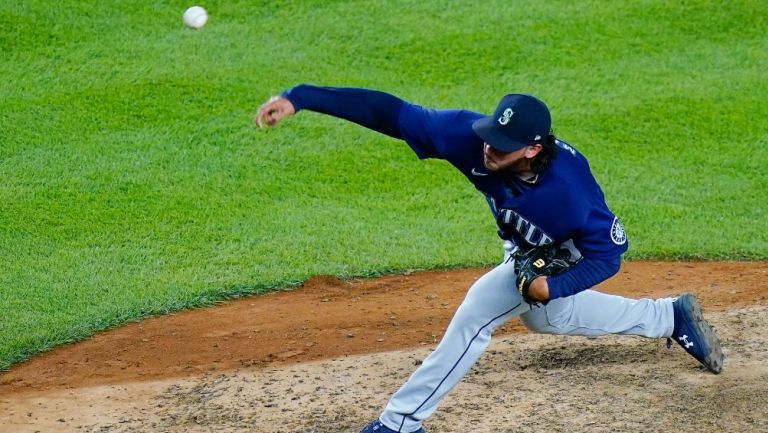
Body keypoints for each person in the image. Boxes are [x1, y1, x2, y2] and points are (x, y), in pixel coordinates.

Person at [254, 85, 724, 433]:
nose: (487, 148)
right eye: (489, 136)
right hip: (525, 245)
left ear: (533, 149)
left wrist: (552, 285)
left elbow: (608, 255)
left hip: (568, 249)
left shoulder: (570, 195)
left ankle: (400, 422)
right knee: (547, 321)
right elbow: (390, 112)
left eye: (502, 145)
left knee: (477, 315)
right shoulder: (469, 136)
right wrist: (302, 97)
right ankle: (668, 316)